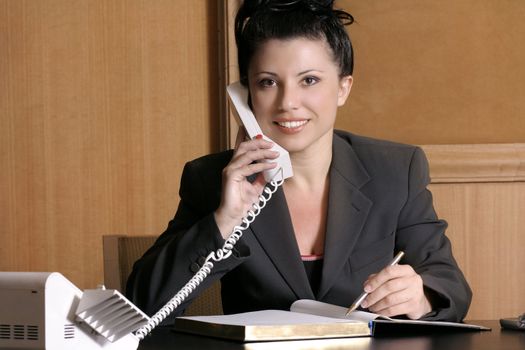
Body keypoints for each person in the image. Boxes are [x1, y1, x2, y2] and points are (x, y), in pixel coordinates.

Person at [126, 0, 472, 324]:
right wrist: (225, 219)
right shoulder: (211, 179)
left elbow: (450, 286)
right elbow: (141, 307)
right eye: (267, 83)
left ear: (343, 88)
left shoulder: (396, 169)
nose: (288, 102)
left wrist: (421, 296)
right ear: (246, 95)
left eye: (309, 80)